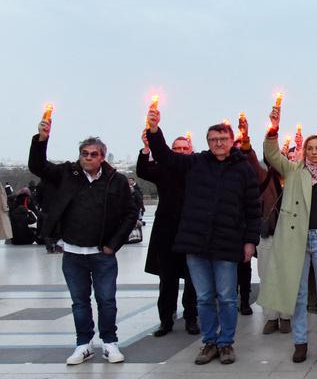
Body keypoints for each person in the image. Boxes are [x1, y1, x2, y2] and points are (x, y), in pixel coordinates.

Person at [146, 109, 262, 365]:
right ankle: (209, 341)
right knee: (204, 297)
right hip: (196, 243)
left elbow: (253, 209)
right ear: (207, 142)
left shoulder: (243, 169)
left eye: (223, 139)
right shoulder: (197, 163)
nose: (218, 143)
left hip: (227, 243)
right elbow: (165, 157)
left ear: (231, 141)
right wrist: (154, 131)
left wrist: (250, 241)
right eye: (213, 139)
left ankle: (226, 342)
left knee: (227, 297)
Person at [29, 119, 139, 365]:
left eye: (93, 154)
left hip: (102, 253)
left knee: (106, 300)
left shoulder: (116, 180)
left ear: (102, 157)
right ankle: (83, 343)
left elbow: (130, 213)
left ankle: (109, 342)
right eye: (84, 154)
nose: (88, 158)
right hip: (73, 252)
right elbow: (37, 166)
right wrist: (42, 139)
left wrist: (113, 244)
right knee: (80, 302)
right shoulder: (67, 174)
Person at [259, 106, 317, 363]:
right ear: (305, 151)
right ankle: (300, 343)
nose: (314, 152)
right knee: (297, 295)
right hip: (296, 240)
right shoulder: (293, 171)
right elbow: (272, 154)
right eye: (310, 148)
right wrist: (273, 128)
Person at [136, 132, 199, 337]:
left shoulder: (197, 168)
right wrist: (147, 148)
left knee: (192, 279)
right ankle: (166, 320)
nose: (181, 151)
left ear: (191, 150)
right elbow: (143, 171)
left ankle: (191, 318)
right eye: (177, 148)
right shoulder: (164, 167)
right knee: (167, 278)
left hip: (191, 229)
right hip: (167, 230)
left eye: (184, 148)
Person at [238, 117, 292, 334]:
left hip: (289, 235)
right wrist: (245, 139)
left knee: (287, 275)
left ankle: (286, 316)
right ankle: (271, 317)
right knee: (266, 275)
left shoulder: (293, 174)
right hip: (267, 233)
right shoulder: (263, 175)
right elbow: (250, 159)